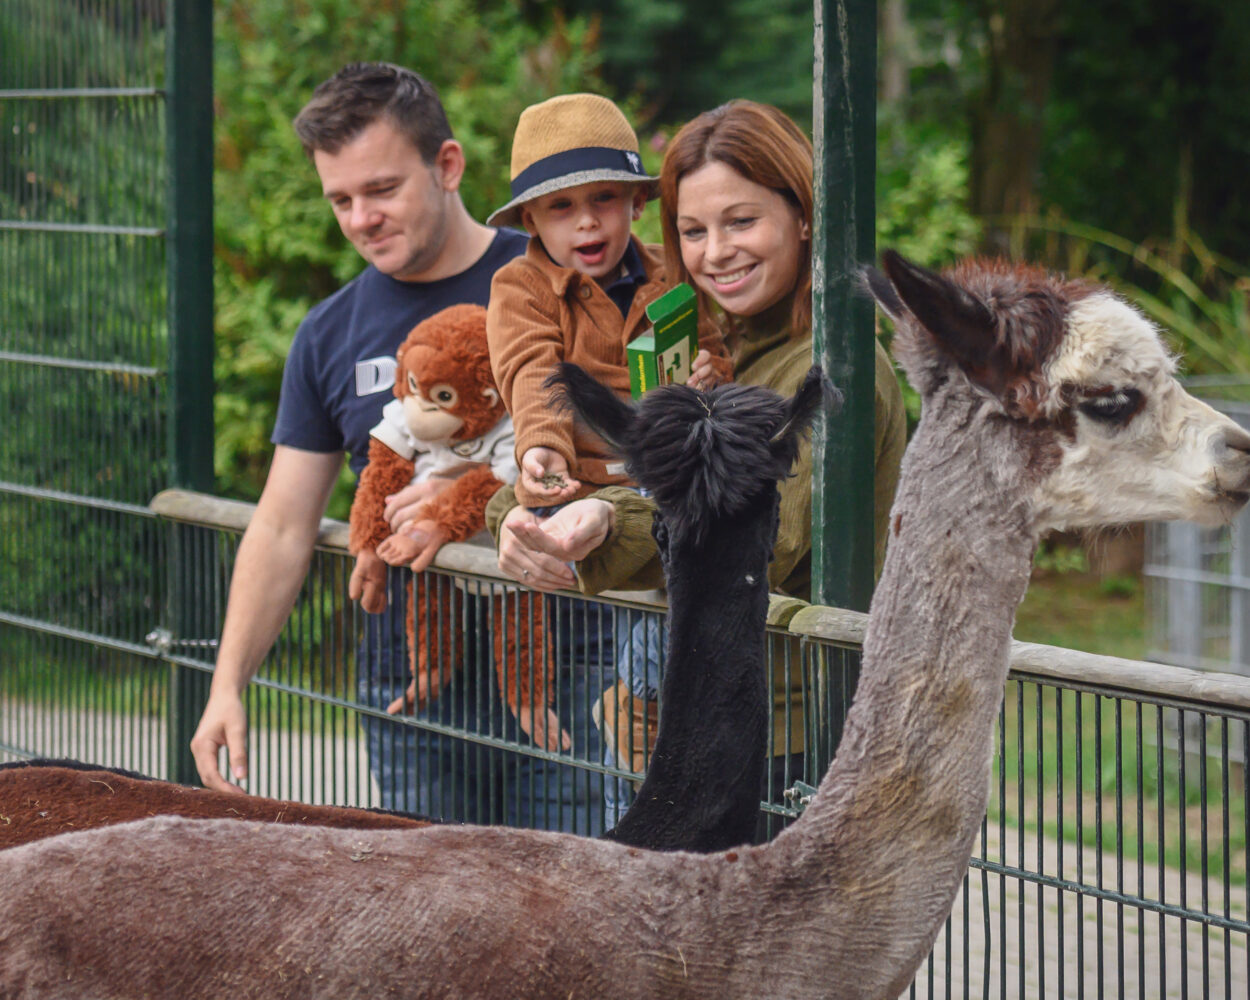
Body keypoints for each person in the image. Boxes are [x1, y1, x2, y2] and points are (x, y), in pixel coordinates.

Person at [485, 99, 908, 837]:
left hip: (790, 737)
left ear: (804, 216)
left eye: (741, 222)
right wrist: (519, 508)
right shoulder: (717, 355)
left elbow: (757, 535)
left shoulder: (832, 369)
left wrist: (605, 517)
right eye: (692, 230)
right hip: (702, 716)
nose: (716, 252)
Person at [188, 62, 529, 822]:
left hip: (562, 661)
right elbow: (281, 524)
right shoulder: (327, 333)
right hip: (407, 679)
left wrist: (479, 501)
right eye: (340, 199)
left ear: (447, 165)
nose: (360, 218)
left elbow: (616, 465)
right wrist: (227, 686)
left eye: (380, 190)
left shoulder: (546, 282)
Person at [484, 92, 732, 509]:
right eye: (561, 206)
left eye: (603, 197)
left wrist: (711, 376)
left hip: (677, 478)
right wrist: (543, 447)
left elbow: (712, 347)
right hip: (579, 487)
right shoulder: (522, 285)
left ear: (635, 203)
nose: (587, 221)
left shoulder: (669, 272)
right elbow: (531, 369)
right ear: (531, 221)